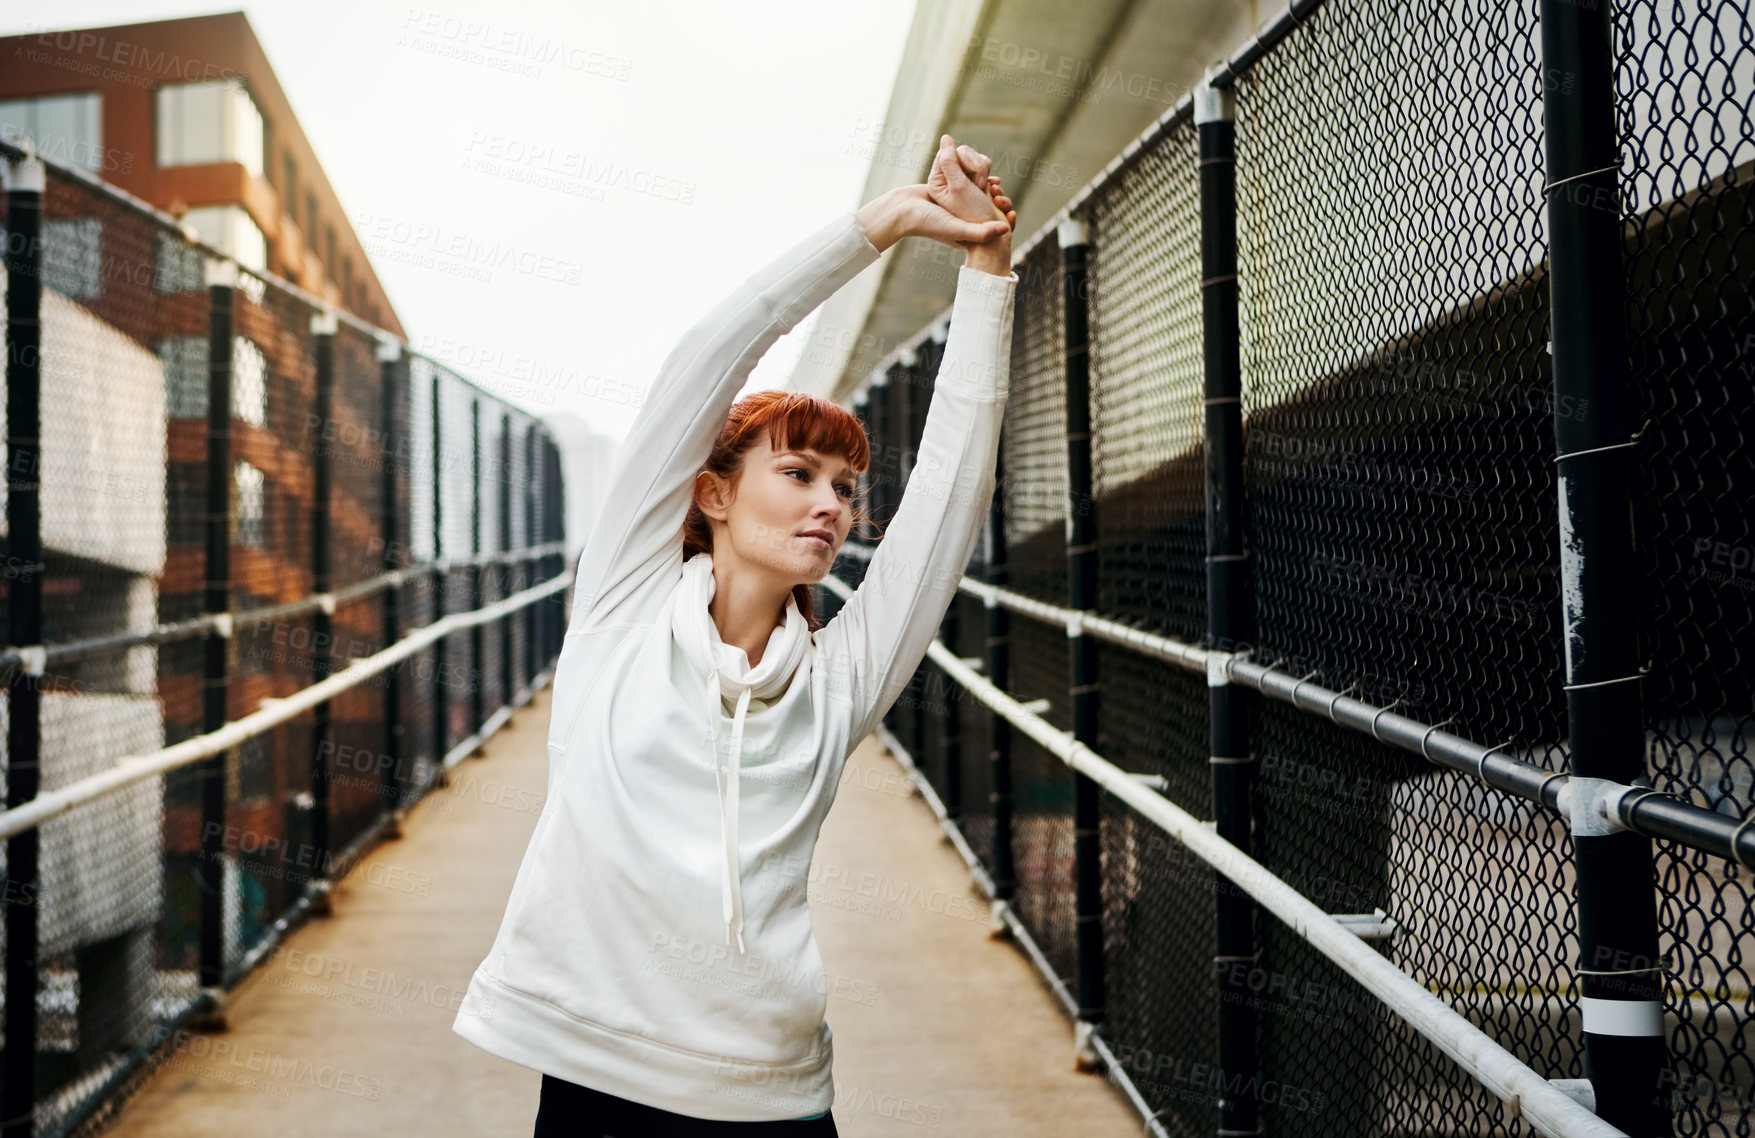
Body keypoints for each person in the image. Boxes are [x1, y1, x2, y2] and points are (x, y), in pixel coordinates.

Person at [451, 134, 1021, 1136]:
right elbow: (709, 356)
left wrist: (985, 272)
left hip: (774, 1089)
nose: (830, 504)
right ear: (712, 494)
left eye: (845, 488)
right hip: (599, 1078)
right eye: (797, 473)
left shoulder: (838, 682)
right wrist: (879, 227)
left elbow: (951, 489)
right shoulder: (620, 609)